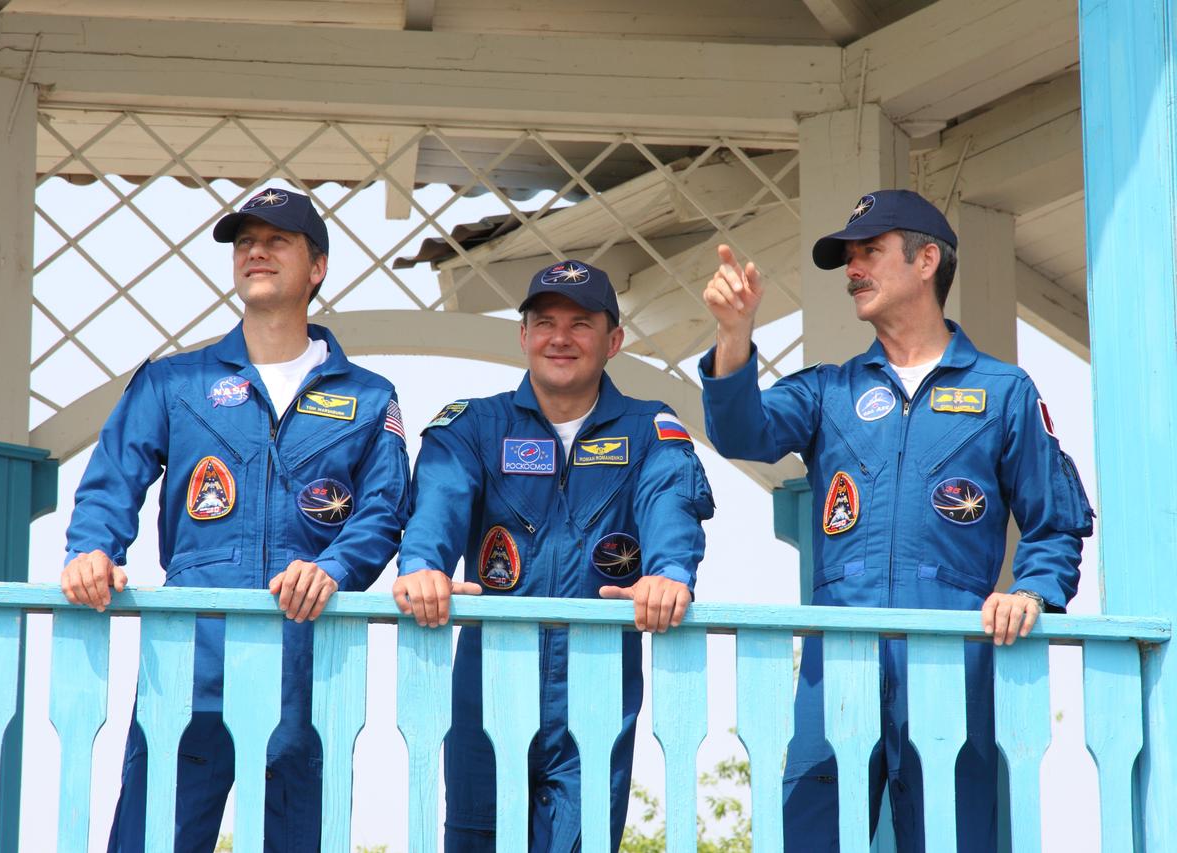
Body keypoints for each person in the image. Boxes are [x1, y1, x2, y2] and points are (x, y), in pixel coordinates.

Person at [699, 190, 1095, 852]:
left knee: (951, 839)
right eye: (848, 257)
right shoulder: (829, 389)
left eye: (870, 252)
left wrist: (1031, 591)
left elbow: (1055, 523)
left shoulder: (1004, 392)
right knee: (811, 837)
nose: (853, 268)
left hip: (951, 663)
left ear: (926, 260)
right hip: (837, 664)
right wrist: (734, 335)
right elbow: (743, 429)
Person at [60, 187, 411, 852]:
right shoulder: (172, 382)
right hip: (192, 653)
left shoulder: (368, 397)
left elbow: (386, 509)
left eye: (278, 239)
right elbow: (111, 480)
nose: (256, 249)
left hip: (311, 652)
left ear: (318, 267)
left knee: (299, 837)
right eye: (245, 239)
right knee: (150, 835)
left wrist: (333, 568)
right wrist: (92, 549)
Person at [393, 259, 715, 851]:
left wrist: (668, 575)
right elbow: (437, 503)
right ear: (523, 336)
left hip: (596, 688)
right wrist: (421, 566)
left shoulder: (651, 430)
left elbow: (670, 503)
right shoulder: (472, 426)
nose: (560, 338)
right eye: (544, 323)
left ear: (613, 340)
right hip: (488, 681)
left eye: (581, 323)